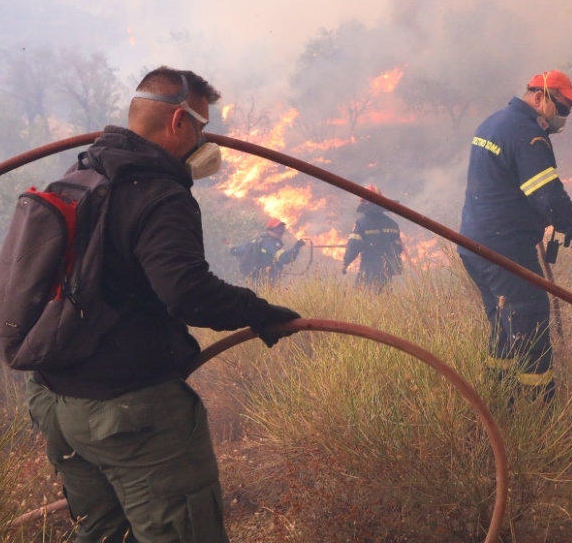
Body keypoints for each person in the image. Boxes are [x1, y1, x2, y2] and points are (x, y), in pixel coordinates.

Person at [25, 66, 301, 542]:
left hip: (58, 404)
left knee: (102, 534)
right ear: (178, 122)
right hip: (131, 414)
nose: (204, 140)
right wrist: (260, 312)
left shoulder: (83, 173)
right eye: (201, 127)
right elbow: (187, 291)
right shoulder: (159, 192)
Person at [458, 70, 572, 400]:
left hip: (475, 245)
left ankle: (500, 406)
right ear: (539, 97)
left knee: (505, 326)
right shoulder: (528, 134)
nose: (564, 117)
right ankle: (540, 417)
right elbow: (547, 193)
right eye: (562, 108)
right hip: (505, 249)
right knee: (531, 322)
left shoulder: (493, 123)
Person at [342, 185, 403, 289]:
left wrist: (346, 263)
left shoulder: (361, 224)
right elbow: (398, 248)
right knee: (384, 297)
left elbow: (353, 246)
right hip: (387, 269)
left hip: (369, 267)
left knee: (362, 297)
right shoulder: (393, 224)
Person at [230, 218, 305, 283]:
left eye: (282, 229)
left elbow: (237, 251)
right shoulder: (271, 244)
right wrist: (297, 246)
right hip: (267, 282)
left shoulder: (258, 241)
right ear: (270, 230)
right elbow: (285, 258)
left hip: (254, 280)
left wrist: (233, 249)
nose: (281, 232)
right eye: (278, 229)